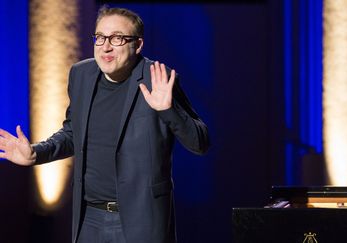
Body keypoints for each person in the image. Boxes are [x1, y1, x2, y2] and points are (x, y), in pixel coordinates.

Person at [0, 6, 209, 243]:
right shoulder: (81, 74)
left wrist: (168, 110)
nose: (106, 46)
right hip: (89, 218)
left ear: (138, 45)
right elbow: (72, 133)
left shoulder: (157, 78)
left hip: (141, 220)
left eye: (117, 38)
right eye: (100, 37)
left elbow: (200, 142)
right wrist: (37, 153)